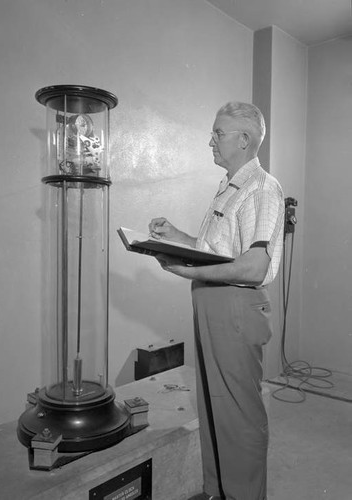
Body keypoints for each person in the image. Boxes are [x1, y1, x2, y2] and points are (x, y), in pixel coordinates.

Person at [148, 102, 284, 500]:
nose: (211, 140)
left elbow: (253, 267)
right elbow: (219, 253)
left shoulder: (262, 188)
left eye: (218, 133)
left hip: (235, 308)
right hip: (212, 303)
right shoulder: (230, 186)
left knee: (238, 419)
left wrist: (188, 272)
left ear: (243, 140)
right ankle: (219, 491)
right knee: (213, 411)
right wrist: (176, 237)